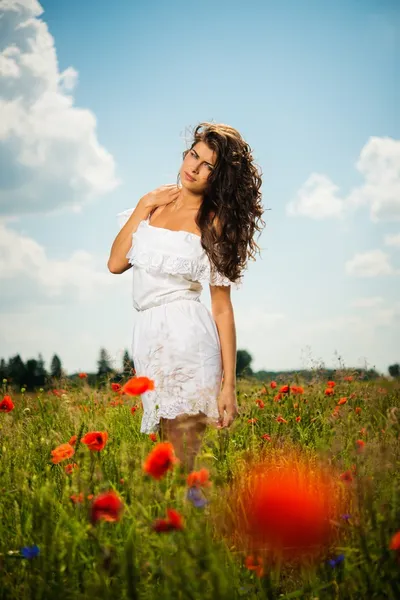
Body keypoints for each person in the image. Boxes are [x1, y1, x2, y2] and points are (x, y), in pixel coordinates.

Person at [108, 122, 265, 471]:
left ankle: (200, 517)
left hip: (187, 335)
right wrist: (143, 204)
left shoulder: (214, 222)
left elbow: (222, 309)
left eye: (208, 165)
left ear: (219, 176)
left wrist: (229, 386)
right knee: (170, 454)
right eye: (194, 155)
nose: (194, 168)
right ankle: (192, 517)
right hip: (148, 335)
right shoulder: (155, 205)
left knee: (184, 460)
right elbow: (116, 263)